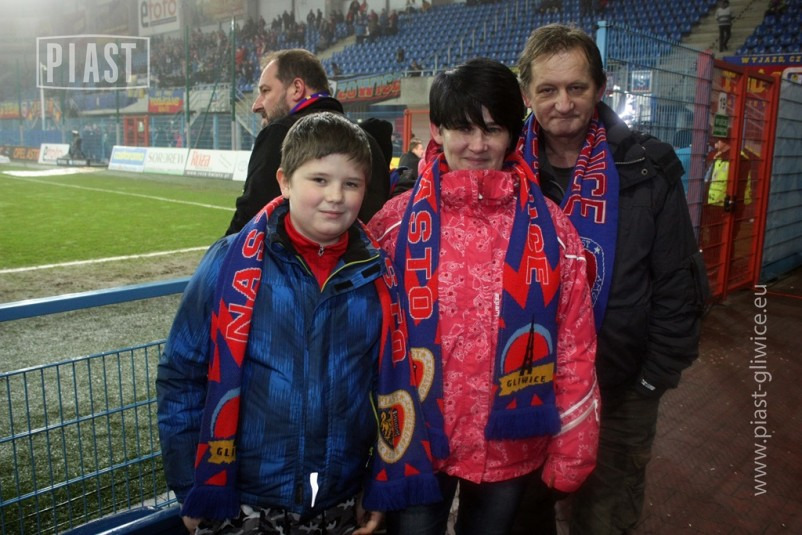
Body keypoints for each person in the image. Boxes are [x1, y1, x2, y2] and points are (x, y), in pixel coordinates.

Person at [157, 112, 438, 535]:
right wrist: (189, 486)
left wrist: (375, 482)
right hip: (239, 499)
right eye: (319, 180)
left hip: (341, 499)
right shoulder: (228, 263)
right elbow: (181, 375)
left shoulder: (379, 276)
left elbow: (389, 391)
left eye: (351, 184)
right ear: (285, 181)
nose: (335, 197)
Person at [366, 58, 600, 535]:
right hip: (415, 440)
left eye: (492, 130)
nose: (477, 145)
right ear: (437, 130)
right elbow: (361, 339)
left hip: (509, 444)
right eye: (463, 128)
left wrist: (575, 444)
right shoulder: (392, 225)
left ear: (511, 135)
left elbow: (574, 344)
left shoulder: (554, 230)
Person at [514, 24, 709, 534]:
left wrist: (650, 381)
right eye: (547, 89)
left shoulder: (648, 166)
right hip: (522, 389)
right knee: (525, 517)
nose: (563, 104)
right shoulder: (504, 168)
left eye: (576, 87)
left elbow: (678, 283)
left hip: (619, 392)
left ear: (600, 88)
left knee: (604, 519)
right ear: (526, 94)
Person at [224, 49, 391, 236]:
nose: (256, 105)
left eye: (265, 91)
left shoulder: (281, 134)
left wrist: (221, 253)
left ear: (297, 88)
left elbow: (250, 223)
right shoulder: (370, 141)